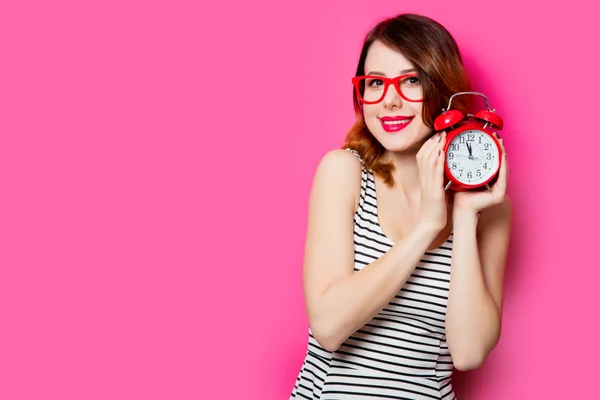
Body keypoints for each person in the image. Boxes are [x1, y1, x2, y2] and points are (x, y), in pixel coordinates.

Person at [289, 13, 512, 400]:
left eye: (411, 81)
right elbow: (328, 324)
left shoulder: (491, 209)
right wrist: (427, 226)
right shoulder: (344, 173)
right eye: (375, 83)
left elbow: (469, 351)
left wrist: (462, 214)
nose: (390, 100)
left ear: (441, 90)